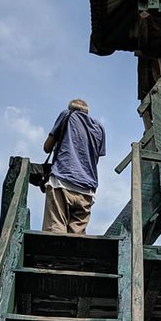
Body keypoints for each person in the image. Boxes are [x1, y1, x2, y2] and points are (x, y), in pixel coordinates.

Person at [42, 98, 106, 235]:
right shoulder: (99, 128)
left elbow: (47, 147)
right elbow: (95, 160)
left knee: (55, 231)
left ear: (72, 108)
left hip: (62, 182)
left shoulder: (67, 115)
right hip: (87, 190)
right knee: (76, 238)